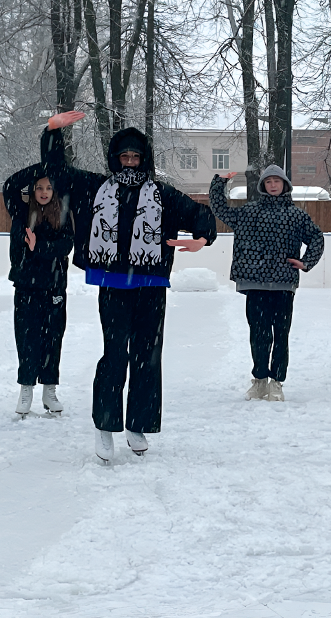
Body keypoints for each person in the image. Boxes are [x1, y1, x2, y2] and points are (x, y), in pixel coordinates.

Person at [41, 111, 217, 461]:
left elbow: (201, 216)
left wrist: (202, 239)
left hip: (151, 285)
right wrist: (52, 133)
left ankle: (137, 423)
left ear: (145, 159)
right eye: (125, 156)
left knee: (147, 358)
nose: (131, 162)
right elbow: (58, 172)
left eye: (136, 156)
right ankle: (106, 427)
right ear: (115, 158)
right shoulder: (94, 188)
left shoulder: (163, 195)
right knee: (115, 355)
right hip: (113, 285)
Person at [209, 166, 324, 401]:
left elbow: (316, 238)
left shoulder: (296, 215)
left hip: (283, 284)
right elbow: (220, 209)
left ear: (284, 185)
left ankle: (277, 382)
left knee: (281, 334)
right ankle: (260, 380)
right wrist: (219, 183)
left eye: (277, 181)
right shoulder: (248, 212)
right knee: (259, 335)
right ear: (263, 185)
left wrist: (305, 262)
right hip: (255, 283)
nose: (273, 185)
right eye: (268, 181)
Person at [3, 167, 74, 417]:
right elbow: (10, 186)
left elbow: (65, 245)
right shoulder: (20, 211)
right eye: (39, 187)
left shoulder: (63, 213)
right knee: (27, 338)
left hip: (54, 286)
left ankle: (50, 390)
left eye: (48, 187)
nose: (44, 192)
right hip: (26, 285)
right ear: (32, 190)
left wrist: (39, 247)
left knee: (52, 339)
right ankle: (26, 389)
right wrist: (44, 165)